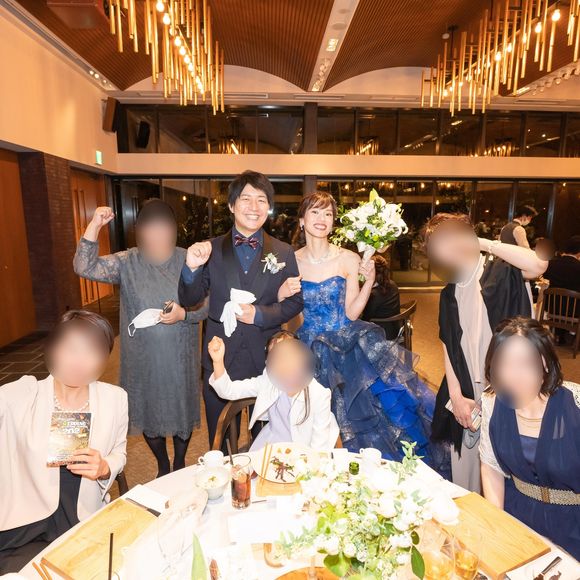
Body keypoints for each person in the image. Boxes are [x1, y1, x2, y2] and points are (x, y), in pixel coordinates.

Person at [279, 192, 448, 475]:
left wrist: (368, 282)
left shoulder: (348, 258)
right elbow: (286, 314)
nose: (322, 219)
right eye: (315, 212)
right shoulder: (290, 261)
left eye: (328, 214)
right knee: (308, 420)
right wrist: (281, 293)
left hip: (347, 345)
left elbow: (352, 314)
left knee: (370, 416)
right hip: (307, 347)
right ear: (302, 220)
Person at [74, 199, 207, 477]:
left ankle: (179, 462)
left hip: (180, 357)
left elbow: (207, 304)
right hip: (142, 359)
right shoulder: (127, 261)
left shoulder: (189, 259)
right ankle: (162, 464)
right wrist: (94, 225)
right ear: (140, 231)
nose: (158, 234)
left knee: (182, 412)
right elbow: (84, 267)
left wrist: (183, 314)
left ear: (174, 229)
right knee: (147, 413)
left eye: (164, 227)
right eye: (151, 227)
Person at [178, 170, 304, 447]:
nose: (253, 206)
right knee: (220, 440)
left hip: (268, 358)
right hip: (220, 357)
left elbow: (295, 303)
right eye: (246, 199)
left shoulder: (283, 251)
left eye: (261, 200)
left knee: (268, 439)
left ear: (268, 207)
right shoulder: (210, 249)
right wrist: (191, 268)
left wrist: (259, 314)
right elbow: (190, 299)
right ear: (232, 205)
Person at [425, 213, 548, 492]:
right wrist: (456, 396)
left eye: (451, 238)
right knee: (467, 476)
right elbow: (447, 345)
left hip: (510, 386)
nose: (447, 249)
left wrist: (480, 242)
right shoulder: (449, 292)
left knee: (509, 472)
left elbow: (538, 264)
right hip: (469, 391)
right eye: (438, 245)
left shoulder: (501, 270)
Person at [0, 311, 128, 573]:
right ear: (53, 350)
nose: (79, 361)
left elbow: (120, 452)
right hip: (27, 524)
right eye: (71, 349)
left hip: (82, 518)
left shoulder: (115, 398)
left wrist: (105, 467)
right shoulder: (26, 393)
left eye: (92, 351)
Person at [479, 317, 580, 558]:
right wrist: (497, 525)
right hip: (518, 516)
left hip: (573, 524)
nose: (513, 375)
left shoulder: (575, 403)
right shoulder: (492, 402)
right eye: (504, 363)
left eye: (525, 363)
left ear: (544, 362)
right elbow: (491, 466)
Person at [207, 331, 339, 451]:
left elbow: (319, 449)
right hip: (274, 443)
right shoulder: (268, 381)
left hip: (306, 448)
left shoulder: (318, 394)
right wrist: (218, 361)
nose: (284, 364)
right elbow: (228, 391)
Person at [361, 254, 402, 340]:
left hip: (381, 333)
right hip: (395, 328)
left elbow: (366, 318)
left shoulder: (373, 294)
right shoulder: (393, 284)